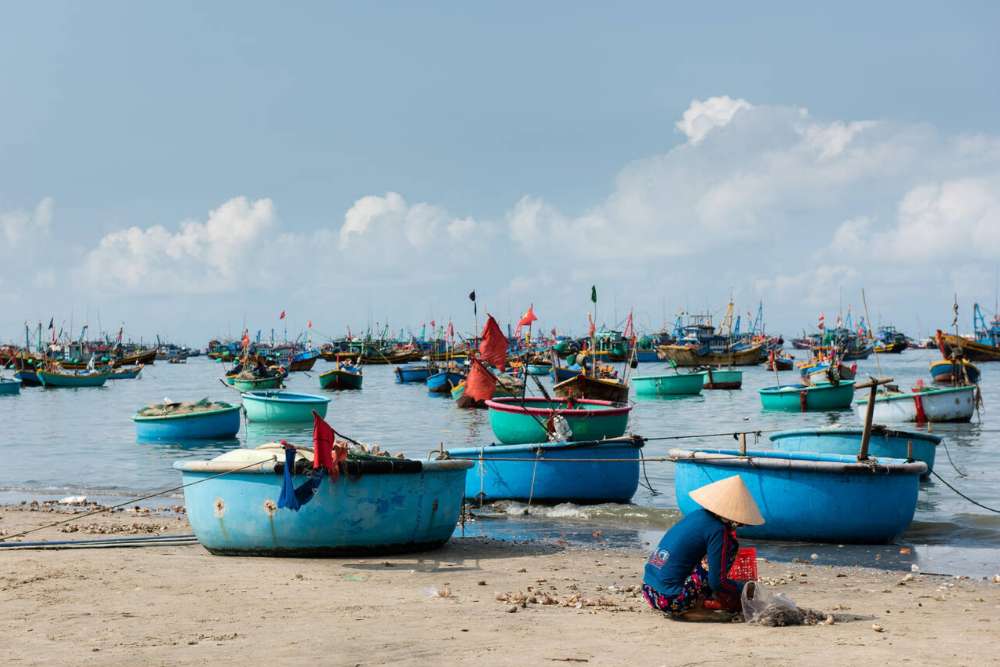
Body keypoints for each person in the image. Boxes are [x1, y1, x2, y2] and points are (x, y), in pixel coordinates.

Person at [642, 475, 764, 619]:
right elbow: (717, 582)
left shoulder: (696, 516)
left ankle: (692, 602)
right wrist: (741, 590)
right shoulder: (718, 530)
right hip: (670, 599)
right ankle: (693, 609)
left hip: (649, 591)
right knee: (722, 557)